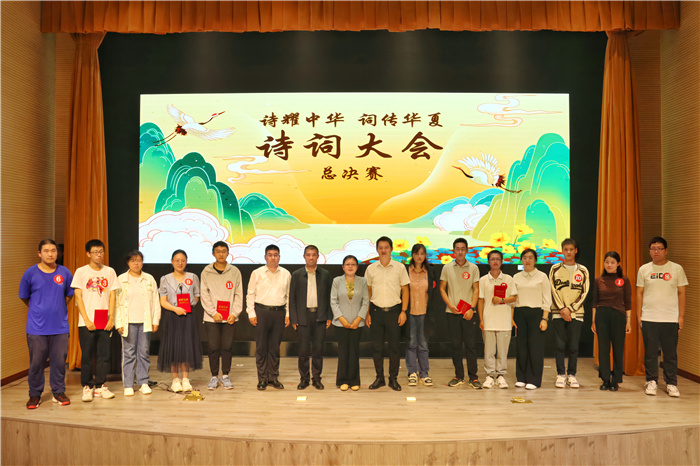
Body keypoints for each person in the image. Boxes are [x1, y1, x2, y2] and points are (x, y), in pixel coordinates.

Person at [19, 239, 74, 409]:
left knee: (59, 362)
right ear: (39, 253)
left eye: (53, 250)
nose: (50, 254)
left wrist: (57, 308)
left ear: (57, 253)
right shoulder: (30, 273)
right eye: (46, 251)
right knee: (36, 363)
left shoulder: (65, 272)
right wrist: (38, 309)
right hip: (36, 328)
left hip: (60, 327)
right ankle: (34, 394)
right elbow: (24, 296)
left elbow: (69, 295)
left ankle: (59, 392)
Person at [637, 237, 688, 397]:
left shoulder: (676, 269)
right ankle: (651, 381)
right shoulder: (644, 269)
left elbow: (681, 293)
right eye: (653, 248)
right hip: (649, 317)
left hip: (670, 318)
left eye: (659, 248)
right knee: (650, 352)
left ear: (666, 250)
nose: (656, 251)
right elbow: (639, 293)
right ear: (649, 251)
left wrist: (681, 316)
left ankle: (671, 383)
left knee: (670, 353)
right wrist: (639, 316)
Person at [72, 239, 119, 402]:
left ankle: (100, 385)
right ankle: (87, 386)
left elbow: (112, 296)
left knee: (103, 355)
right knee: (86, 355)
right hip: (87, 321)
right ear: (88, 254)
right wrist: (86, 320)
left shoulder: (110, 271)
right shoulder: (81, 272)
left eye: (101, 252)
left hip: (104, 320)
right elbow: (78, 297)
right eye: (95, 252)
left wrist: (111, 318)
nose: (99, 255)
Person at [365, 236, 409, 391]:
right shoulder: (371, 269)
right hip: (376, 312)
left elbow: (405, 290)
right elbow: (368, 291)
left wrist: (403, 311)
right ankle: (379, 378)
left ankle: (393, 379)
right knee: (377, 348)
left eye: (386, 247)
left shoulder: (400, 267)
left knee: (394, 348)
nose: (383, 250)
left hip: (394, 312)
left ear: (391, 249)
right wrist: (367, 313)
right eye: (380, 248)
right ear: (377, 250)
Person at [115, 250, 161, 396]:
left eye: (139, 260)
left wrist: (155, 320)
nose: (136, 263)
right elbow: (116, 303)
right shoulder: (121, 279)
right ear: (128, 263)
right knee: (129, 354)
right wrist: (118, 323)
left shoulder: (149, 278)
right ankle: (128, 384)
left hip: (145, 322)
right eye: (133, 260)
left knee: (144, 353)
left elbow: (156, 301)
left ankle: (143, 382)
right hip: (128, 322)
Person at [157, 249, 202, 393]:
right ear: (172, 262)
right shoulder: (165, 279)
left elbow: (196, 297)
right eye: (177, 260)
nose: (180, 263)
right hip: (172, 316)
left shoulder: (193, 277)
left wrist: (188, 305)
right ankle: (175, 380)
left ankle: (186, 379)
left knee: (187, 347)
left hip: (188, 316)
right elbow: (163, 301)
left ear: (186, 261)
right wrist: (175, 309)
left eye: (183, 260)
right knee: (173, 348)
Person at [247, 244, 291, 390]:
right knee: (261, 347)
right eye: (270, 255)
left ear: (279, 257)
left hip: (279, 313)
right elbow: (250, 294)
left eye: (275, 255)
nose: (273, 258)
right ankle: (262, 379)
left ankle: (273, 377)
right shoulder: (257, 273)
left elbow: (289, 296)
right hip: (261, 312)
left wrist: (288, 314)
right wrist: (251, 313)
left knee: (275, 347)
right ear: (265, 257)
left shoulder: (286, 274)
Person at [200, 241, 243, 391]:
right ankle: (214, 376)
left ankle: (225, 375)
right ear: (213, 253)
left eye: (224, 251)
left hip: (230, 317)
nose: (221, 254)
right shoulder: (206, 271)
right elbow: (204, 294)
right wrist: (213, 313)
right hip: (212, 317)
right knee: (213, 347)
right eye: (218, 251)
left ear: (228, 253)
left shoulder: (234, 271)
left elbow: (238, 294)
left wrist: (234, 313)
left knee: (227, 347)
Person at [440, 238, 482, 389]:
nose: (460, 252)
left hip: (468, 313)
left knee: (471, 346)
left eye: (463, 249)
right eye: (457, 249)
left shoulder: (473, 268)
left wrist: (472, 308)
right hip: (452, 312)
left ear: (467, 250)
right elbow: (442, 288)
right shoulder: (447, 268)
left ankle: (473, 378)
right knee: (456, 346)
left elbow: (476, 289)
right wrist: (450, 305)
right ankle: (458, 376)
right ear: (453, 251)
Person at [289, 245, 332, 390]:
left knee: (318, 350)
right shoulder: (297, 274)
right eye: (308, 255)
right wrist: (294, 318)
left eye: (314, 255)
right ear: (304, 256)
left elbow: (329, 297)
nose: (311, 257)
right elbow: (292, 298)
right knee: (303, 351)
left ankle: (317, 378)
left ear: (318, 257)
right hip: (303, 316)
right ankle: (304, 379)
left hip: (320, 316)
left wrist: (329, 316)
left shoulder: (325, 274)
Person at [549, 238, 589, 389]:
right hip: (558, 313)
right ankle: (560, 374)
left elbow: (584, 292)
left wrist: (570, 309)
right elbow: (552, 290)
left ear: (576, 251)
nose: (568, 252)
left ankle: (571, 375)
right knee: (560, 345)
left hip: (576, 313)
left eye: (571, 249)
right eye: (565, 249)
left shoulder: (583, 270)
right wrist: (562, 309)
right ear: (562, 251)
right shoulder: (554, 269)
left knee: (573, 346)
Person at [591, 251, 631, 392]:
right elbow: (594, 302)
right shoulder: (598, 280)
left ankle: (616, 380)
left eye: (612, 262)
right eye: (607, 262)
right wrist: (593, 321)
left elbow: (628, 302)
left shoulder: (624, 280)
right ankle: (605, 379)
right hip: (601, 315)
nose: (609, 265)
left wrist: (628, 321)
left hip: (618, 316)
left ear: (618, 264)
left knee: (618, 349)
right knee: (603, 349)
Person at [512, 248, 551, 390]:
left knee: (535, 348)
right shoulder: (516, 277)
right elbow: (513, 299)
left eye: (530, 258)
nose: (527, 260)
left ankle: (534, 379)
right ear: (521, 260)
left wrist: (544, 319)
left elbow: (547, 298)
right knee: (521, 347)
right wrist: (512, 318)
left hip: (536, 314)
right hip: (519, 313)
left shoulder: (542, 276)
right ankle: (521, 377)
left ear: (535, 260)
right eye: (524, 258)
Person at [478, 249, 518, 389]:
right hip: (488, 320)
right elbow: (481, 301)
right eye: (492, 259)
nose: (495, 261)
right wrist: (481, 319)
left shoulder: (508, 279)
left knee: (502, 352)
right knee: (489, 351)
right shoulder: (483, 280)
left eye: (497, 259)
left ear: (501, 262)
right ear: (488, 262)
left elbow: (514, 298)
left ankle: (501, 375)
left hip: (504, 321)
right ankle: (489, 375)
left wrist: (502, 300)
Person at [331, 255, 369, 391]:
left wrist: (358, 319)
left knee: (354, 352)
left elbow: (365, 301)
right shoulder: (336, 281)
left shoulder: (362, 281)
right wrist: (342, 319)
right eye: (347, 264)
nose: (350, 266)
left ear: (357, 267)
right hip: (341, 323)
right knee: (343, 352)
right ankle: (342, 380)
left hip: (357, 323)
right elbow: (333, 301)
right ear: (343, 267)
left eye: (353, 264)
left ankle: (354, 380)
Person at [405, 243, 435, 387]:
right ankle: (412, 372)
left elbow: (433, 293)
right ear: (412, 255)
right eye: (417, 253)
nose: (419, 256)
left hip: (424, 313)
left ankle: (424, 373)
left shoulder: (430, 272)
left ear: (425, 255)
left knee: (423, 344)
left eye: (422, 253)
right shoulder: (405, 271)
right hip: (410, 312)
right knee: (411, 343)